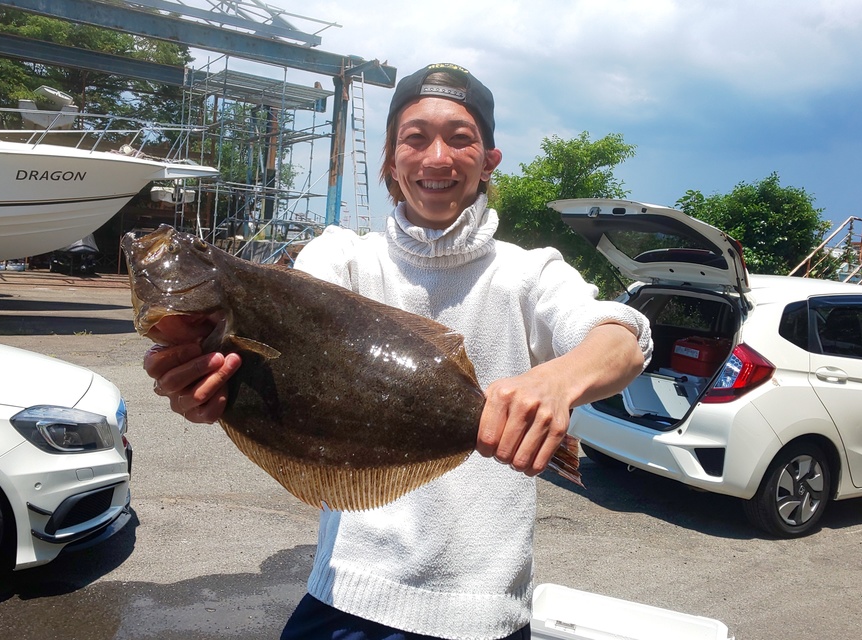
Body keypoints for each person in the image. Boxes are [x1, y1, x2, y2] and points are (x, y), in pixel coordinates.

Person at [142, 62, 652, 640]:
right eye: (415, 138)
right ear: (389, 158)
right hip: (348, 593)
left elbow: (622, 337)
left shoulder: (530, 272)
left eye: (460, 138)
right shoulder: (341, 257)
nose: (437, 157)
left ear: (489, 160)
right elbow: (282, 330)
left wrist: (557, 381)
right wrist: (204, 383)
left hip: (485, 609)